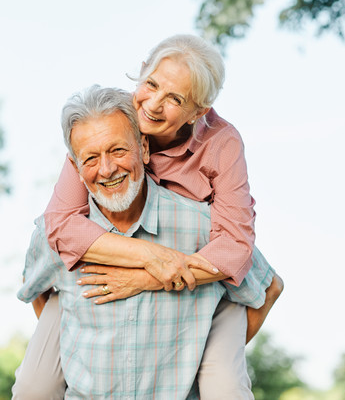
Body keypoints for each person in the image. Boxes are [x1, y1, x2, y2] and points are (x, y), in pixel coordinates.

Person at [13, 85, 252, 398]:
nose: (108, 169)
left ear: (144, 147)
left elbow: (264, 289)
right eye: (91, 158)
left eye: (117, 150)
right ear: (76, 168)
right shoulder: (53, 237)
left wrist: (207, 367)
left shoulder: (202, 227)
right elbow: (36, 290)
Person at [44, 34, 283, 342]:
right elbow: (61, 223)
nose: (153, 106)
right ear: (142, 72)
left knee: (222, 374)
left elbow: (235, 246)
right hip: (154, 249)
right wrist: (152, 255)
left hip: (201, 258)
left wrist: (145, 278)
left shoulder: (222, 143)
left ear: (198, 112)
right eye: (152, 85)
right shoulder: (108, 121)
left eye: (176, 99)